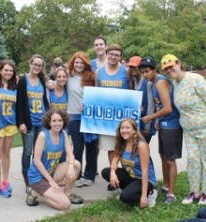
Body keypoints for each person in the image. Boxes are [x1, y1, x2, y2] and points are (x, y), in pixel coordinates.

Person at [161, 54, 206, 205]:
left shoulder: (196, 79)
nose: (169, 70)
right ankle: (194, 192)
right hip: (188, 130)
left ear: (178, 64)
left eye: (171, 66)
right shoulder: (174, 84)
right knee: (193, 160)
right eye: (166, 69)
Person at [141, 56, 183, 204]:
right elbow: (161, 106)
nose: (145, 75)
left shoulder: (160, 82)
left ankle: (171, 193)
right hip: (164, 123)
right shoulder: (152, 83)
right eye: (143, 72)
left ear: (154, 69)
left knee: (170, 160)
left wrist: (151, 117)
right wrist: (158, 119)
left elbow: (168, 108)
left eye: (147, 71)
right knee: (163, 156)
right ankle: (165, 186)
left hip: (172, 125)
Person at [26, 109, 83, 209]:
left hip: (52, 172)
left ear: (64, 121)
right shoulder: (43, 135)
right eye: (54, 121)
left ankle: (67, 194)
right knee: (65, 205)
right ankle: (35, 192)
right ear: (49, 122)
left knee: (76, 164)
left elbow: (71, 155)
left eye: (60, 120)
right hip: (38, 177)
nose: (57, 123)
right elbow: (36, 161)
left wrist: (70, 167)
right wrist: (51, 181)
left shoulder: (63, 134)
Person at [101, 118, 157, 208]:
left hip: (144, 179)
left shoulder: (141, 145)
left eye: (127, 128)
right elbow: (115, 160)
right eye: (122, 128)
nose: (124, 130)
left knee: (125, 198)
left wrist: (143, 197)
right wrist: (112, 173)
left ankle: (150, 193)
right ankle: (130, 190)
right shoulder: (122, 143)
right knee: (106, 172)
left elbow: (145, 172)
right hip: (131, 176)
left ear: (134, 130)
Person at [16, 54, 50, 191]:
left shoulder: (42, 80)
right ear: (30, 64)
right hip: (29, 123)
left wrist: (48, 117)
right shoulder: (23, 81)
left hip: (41, 122)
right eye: (34, 64)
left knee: (40, 152)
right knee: (28, 152)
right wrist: (21, 123)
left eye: (39, 65)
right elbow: (19, 104)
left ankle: (37, 177)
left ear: (42, 67)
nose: (36, 67)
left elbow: (45, 101)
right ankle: (27, 180)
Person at [96, 44, 132, 166]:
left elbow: (132, 92)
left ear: (121, 57)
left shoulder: (126, 71)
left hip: (124, 116)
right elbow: (96, 94)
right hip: (107, 117)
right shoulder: (99, 72)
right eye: (111, 54)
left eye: (116, 55)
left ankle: (127, 174)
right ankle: (114, 174)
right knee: (112, 148)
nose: (113, 57)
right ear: (107, 54)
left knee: (126, 146)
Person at [67, 51, 98, 187]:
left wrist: (88, 103)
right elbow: (56, 84)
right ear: (73, 63)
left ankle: (90, 175)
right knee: (78, 148)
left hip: (89, 117)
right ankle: (77, 175)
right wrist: (51, 83)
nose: (79, 65)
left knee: (91, 147)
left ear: (86, 64)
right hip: (73, 116)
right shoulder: (68, 76)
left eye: (81, 62)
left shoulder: (91, 77)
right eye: (76, 62)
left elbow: (98, 95)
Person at [0, 60, 18, 198]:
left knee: (6, 153)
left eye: (11, 70)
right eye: (6, 70)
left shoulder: (15, 87)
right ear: (0, 71)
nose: (8, 72)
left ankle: (6, 180)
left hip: (11, 124)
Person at [128, 56, 156, 143]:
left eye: (135, 67)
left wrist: (147, 127)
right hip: (137, 122)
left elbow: (151, 105)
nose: (133, 69)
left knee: (142, 149)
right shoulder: (132, 81)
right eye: (131, 67)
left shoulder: (147, 82)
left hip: (146, 123)